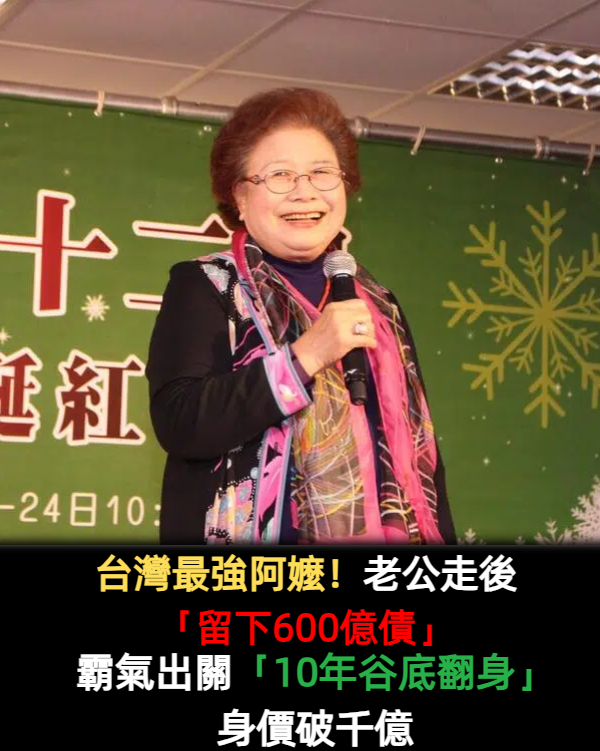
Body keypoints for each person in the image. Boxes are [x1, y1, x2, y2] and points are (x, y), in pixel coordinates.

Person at [146, 87, 455, 545]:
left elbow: (422, 459)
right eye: (280, 176)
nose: (304, 192)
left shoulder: (377, 303)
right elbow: (181, 423)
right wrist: (305, 356)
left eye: (321, 173)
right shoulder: (206, 285)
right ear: (239, 196)